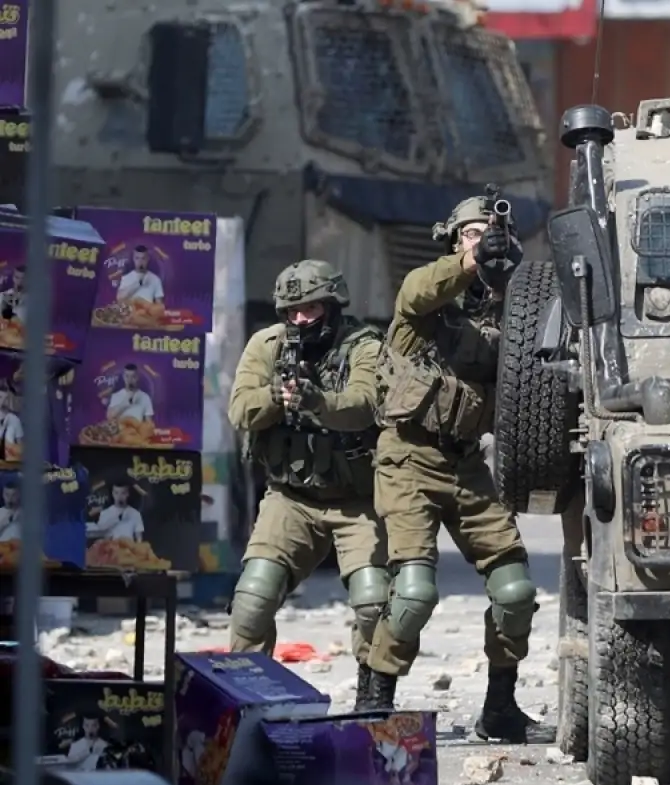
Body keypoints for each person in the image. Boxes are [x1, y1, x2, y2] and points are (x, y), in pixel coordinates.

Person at [361, 193, 543, 744]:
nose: (484, 240)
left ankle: (500, 707)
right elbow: (417, 291)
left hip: (466, 462)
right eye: (472, 233)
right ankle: (374, 701)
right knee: (414, 593)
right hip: (408, 457)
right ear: (454, 241)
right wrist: (470, 262)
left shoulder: (512, 310)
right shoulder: (427, 297)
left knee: (514, 590)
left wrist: (509, 284)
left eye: (493, 233)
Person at [228, 259, 389, 708]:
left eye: (311, 309)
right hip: (291, 498)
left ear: (333, 306)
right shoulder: (266, 345)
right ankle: (249, 700)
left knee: (373, 602)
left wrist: (318, 401)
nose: (300, 319)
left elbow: (363, 404)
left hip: (357, 500)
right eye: (292, 311)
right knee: (252, 601)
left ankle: (373, 697)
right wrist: (276, 397)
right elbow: (240, 410)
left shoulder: (365, 346)